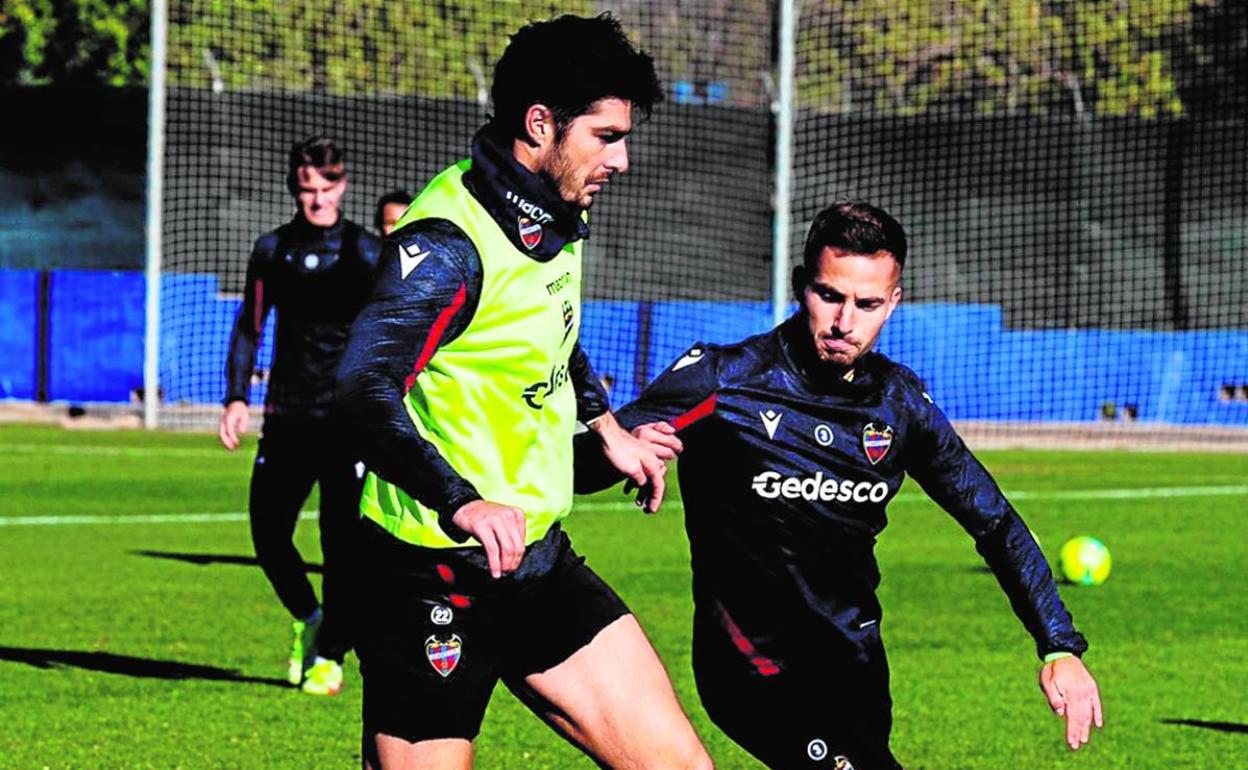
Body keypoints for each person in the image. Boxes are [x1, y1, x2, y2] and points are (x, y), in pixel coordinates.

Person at [577, 202, 1104, 769]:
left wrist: (1058, 643)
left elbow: (992, 520)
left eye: (868, 304)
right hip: (751, 665)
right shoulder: (724, 378)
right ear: (803, 286)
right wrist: (619, 452)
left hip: (854, 665)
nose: (845, 321)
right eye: (830, 296)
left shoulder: (900, 405)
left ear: (893, 303)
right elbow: (586, 468)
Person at [334, 14, 712, 770]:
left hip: (537, 564)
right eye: (606, 136)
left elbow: (553, 331)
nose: (624, 159)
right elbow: (359, 388)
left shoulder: (554, 217)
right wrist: (461, 499)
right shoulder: (447, 245)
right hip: (428, 571)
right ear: (542, 124)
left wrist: (607, 429)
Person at [220, 135, 381, 696]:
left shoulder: (364, 251)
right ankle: (312, 619)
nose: (317, 199)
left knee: (342, 545)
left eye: (327, 187)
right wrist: (236, 396)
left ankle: (331, 656)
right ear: (295, 188)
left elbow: (389, 328)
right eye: (307, 188)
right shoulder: (272, 250)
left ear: (343, 184)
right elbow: (249, 326)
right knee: (268, 534)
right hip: (287, 415)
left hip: (346, 423)